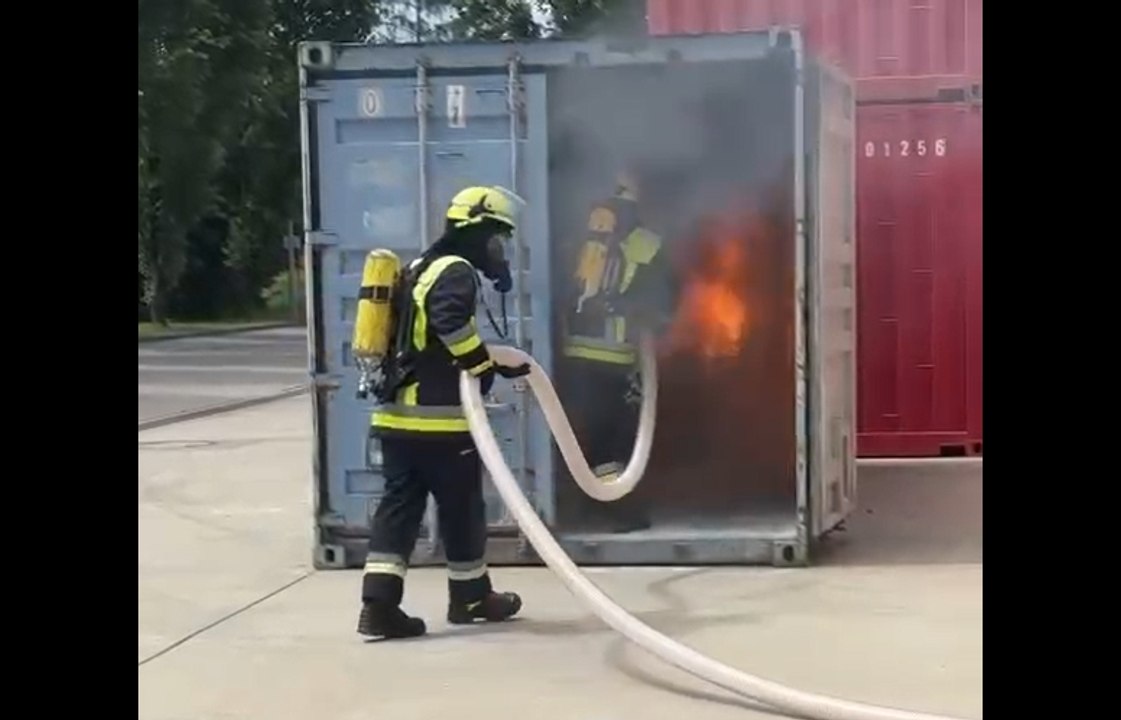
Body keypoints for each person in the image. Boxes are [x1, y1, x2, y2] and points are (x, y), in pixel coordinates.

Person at [357, 185, 530, 640]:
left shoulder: (420, 266)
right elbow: (449, 321)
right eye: (496, 237)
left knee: (399, 510)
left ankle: (378, 604)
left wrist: (489, 361)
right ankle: (470, 597)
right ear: (476, 231)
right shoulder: (456, 271)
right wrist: (481, 365)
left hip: (396, 418)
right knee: (461, 509)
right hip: (438, 422)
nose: (499, 249)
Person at [558, 170, 675, 533]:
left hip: (574, 355)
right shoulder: (647, 244)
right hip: (616, 360)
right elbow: (665, 298)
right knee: (616, 436)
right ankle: (615, 508)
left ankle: (583, 502)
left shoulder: (576, 240)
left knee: (587, 432)